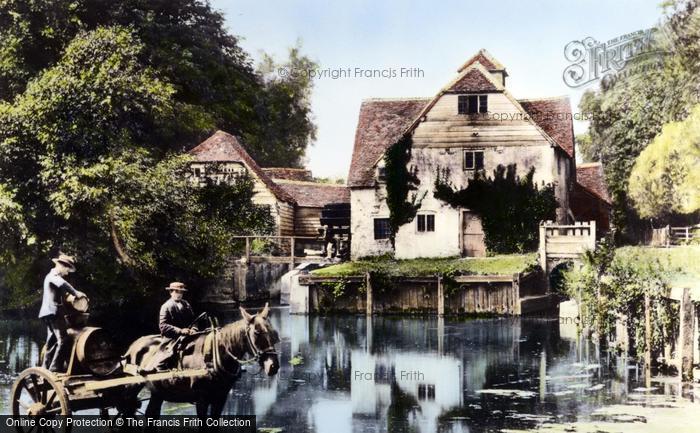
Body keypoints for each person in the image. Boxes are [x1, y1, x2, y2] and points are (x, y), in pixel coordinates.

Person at [38, 253, 85, 372]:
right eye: (67, 269)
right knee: (64, 339)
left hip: (47, 312)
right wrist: (76, 293)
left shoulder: (52, 278)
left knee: (52, 341)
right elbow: (63, 284)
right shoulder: (53, 276)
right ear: (62, 266)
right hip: (52, 312)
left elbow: (63, 294)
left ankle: (45, 368)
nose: (67, 273)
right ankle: (54, 369)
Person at [143, 282, 196, 373]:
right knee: (170, 351)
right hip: (172, 336)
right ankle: (159, 366)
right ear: (171, 292)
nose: (179, 294)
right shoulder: (166, 306)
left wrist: (194, 329)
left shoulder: (186, 304)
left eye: (181, 292)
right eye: (177, 292)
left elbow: (193, 320)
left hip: (188, 334)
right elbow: (163, 326)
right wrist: (180, 331)